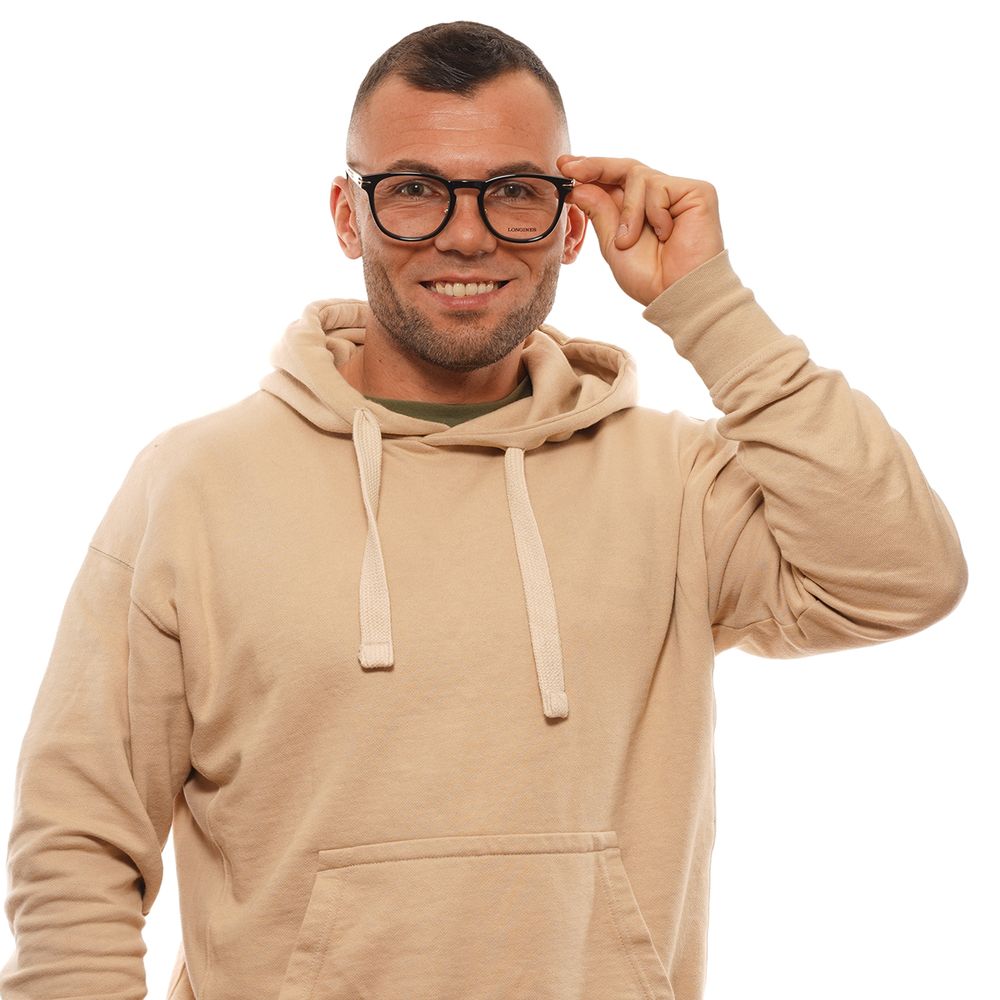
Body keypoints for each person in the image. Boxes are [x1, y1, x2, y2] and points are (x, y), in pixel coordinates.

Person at [0, 19, 967, 1000]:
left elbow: (902, 574)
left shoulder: (676, 483)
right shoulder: (194, 484)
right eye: (415, 189)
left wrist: (705, 302)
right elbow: (78, 839)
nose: (465, 234)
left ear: (569, 222)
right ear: (348, 214)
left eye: (511, 192)